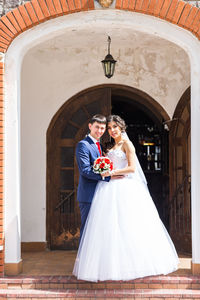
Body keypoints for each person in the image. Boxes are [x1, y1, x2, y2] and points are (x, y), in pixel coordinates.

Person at [73, 115, 179, 282]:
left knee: (127, 226)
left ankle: (130, 265)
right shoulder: (103, 146)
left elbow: (131, 168)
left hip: (123, 187)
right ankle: (105, 265)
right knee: (106, 229)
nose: (110, 130)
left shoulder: (127, 144)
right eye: (108, 128)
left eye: (113, 127)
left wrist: (111, 173)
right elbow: (88, 169)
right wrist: (107, 175)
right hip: (106, 188)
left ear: (121, 127)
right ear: (91, 126)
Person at [76, 114, 122, 241]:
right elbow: (85, 170)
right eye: (97, 127)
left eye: (102, 128)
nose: (100, 131)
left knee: (99, 230)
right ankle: (82, 260)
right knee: (87, 230)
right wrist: (108, 177)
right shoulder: (83, 145)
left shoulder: (99, 145)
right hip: (88, 195)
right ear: (90, 126)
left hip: (102, 194)